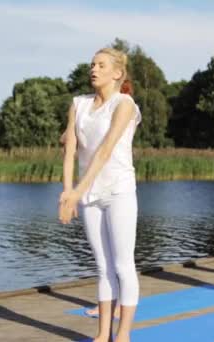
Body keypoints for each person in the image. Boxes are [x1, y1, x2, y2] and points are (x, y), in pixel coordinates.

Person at [59, 47, 141, 342]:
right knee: (102, 266)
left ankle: (123, 335)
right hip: (89, 194)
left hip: (119, 190)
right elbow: (70, 149)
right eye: (92, 64)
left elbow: (105, 150)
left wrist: (77, 191)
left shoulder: (125, 104)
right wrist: (69, 191)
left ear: (117, 73)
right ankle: (102, 334)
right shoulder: (78, 104)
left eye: (101, 65)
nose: (93, 69)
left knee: (122, 264)